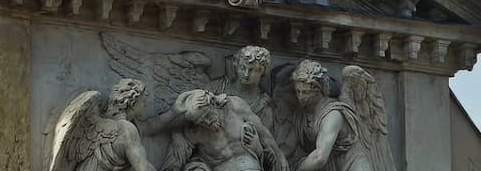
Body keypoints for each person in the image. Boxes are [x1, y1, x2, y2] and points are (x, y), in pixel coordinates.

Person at [145, 89, 285, 171]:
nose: (206, 122)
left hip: (247, 166)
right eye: (201, 121)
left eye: (206, 115)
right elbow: (174, 163)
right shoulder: (194, 132)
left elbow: (264, 134)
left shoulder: (236, 106)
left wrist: (280, 156)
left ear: (212, 104)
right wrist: (175, 111)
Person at [290, 61, 371, 171]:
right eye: (298, 91)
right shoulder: (301, 114)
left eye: (305, 92)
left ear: (318, 90)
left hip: (352, 165)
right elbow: (290, 145)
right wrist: (278, 155)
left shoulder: (332, 115)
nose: (300, 97)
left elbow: (320, 157)